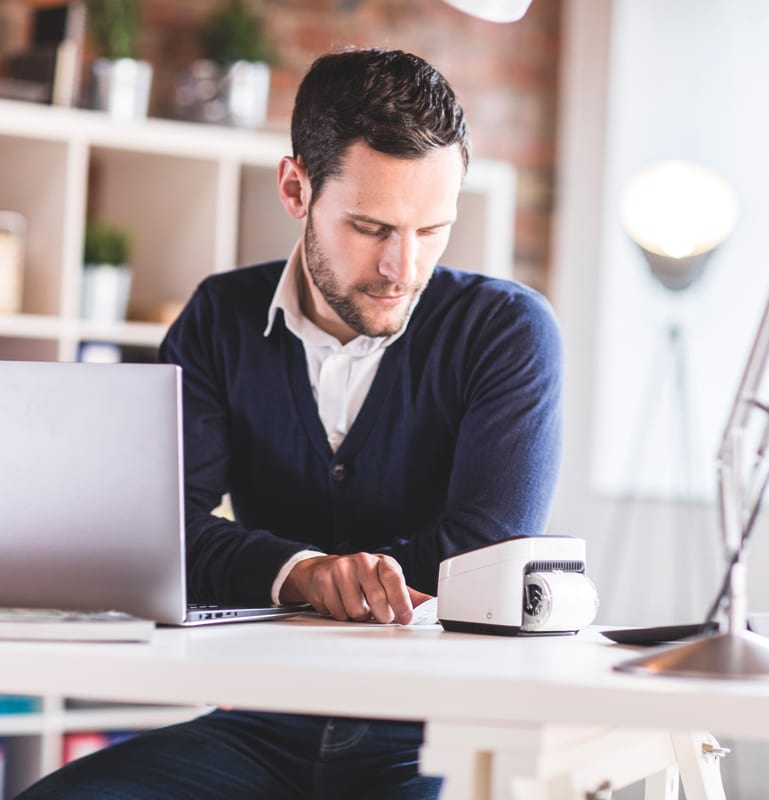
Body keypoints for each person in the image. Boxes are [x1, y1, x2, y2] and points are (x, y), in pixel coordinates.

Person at [19, 47, 563, 799]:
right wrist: (301, 572)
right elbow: (161, 535)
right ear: (295, 188)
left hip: (435, 733)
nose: (403, 268)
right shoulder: (218, 319)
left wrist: (280, 575)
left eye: (432, 230)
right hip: (263, 723)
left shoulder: (505, 332)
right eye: (371, 227)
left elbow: (484, 558)